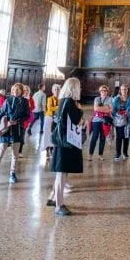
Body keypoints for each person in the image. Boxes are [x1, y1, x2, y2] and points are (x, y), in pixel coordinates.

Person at [48, 77, 84, 216]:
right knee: (61, 174)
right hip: (64, 142)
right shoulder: (68, 102)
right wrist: (80, 110)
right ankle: (59, 205)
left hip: (64, 141)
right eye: (78, 87)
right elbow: (74, 120)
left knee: (62, 174)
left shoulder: (65, 101)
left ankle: (57, 200)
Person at [0, 83, 29, 186]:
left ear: (21, 91)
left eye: (18, 89)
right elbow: (0, 114)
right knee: (0, 154)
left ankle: (12, 174)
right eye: (14, 89)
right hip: (6, 130)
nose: (16, 91)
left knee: (15, 156)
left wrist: (18, 121)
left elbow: (27, 116)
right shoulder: (8, 100)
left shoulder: (24, 101)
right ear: (12, 90)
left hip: (17, 130)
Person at [111, 84, 130, 161]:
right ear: (120, 90)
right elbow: (113, 110)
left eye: (125, 89)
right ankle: (118, 154)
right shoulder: (116, 99)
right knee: (119, 137)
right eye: (122, 89)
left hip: (129, 121)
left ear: (127, 90)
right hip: (119, 121)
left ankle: (125, 153)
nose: (123, 91)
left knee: (126, 137)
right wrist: (117, 114)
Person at [89, 85, 112, 160]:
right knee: (94, 137)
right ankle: (90, 154)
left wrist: (101, 109)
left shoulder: (110, 99)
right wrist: (106, 107)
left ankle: (100, 155)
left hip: (105, 121)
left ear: (107, 92)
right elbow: (95, 108)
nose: (103, 92)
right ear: (100, 92)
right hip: (96, 120)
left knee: (103, 138)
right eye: (102, 90)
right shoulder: (97, 99)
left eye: (105, 90)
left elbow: (110, 109)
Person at [44, 84, 61, 160]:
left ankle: (53, 150)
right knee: (48, 134)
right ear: (52, 91)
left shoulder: (61, 99)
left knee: (55, 135)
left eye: (58, 89)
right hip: (49, 118)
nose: (57, 91)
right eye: (55, 89)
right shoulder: (50, 99)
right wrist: (58, 107)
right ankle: (47, 150)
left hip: (57, 119)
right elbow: (50, 108)